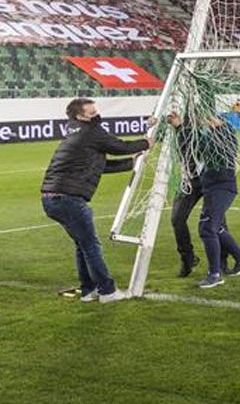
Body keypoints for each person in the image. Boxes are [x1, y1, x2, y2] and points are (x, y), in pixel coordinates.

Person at [40, 98, 155, 303]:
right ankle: (107, 291)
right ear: (80, 116)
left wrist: (132, 162)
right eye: (91, 112)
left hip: (53, 198)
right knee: (91, 245)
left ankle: (88, 291)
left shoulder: (75, 131)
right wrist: (146, 143)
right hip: (68, 198)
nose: (96, 114)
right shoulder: (90, 132)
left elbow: (98, 166)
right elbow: (120, 146)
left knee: (82, 244)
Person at [169, 109, 240, 289]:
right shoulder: (206, 139)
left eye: (210, 119)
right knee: (215, 228)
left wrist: (219, 125)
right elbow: (192, 144)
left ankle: (215, 273)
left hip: (221, 187)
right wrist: (179, 127)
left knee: (208, 229)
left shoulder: (225, 136)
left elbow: (222, 140)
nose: (206, 122)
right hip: (210, 185)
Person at [167, 110, 234, 278]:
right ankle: (188, 258)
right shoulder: (185, 131)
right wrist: (177, 126)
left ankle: (222, 261)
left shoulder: (221, 134)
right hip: (190, 180)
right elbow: (188, 144)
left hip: (210, 179)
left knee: (217, 223)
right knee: (177, 218)